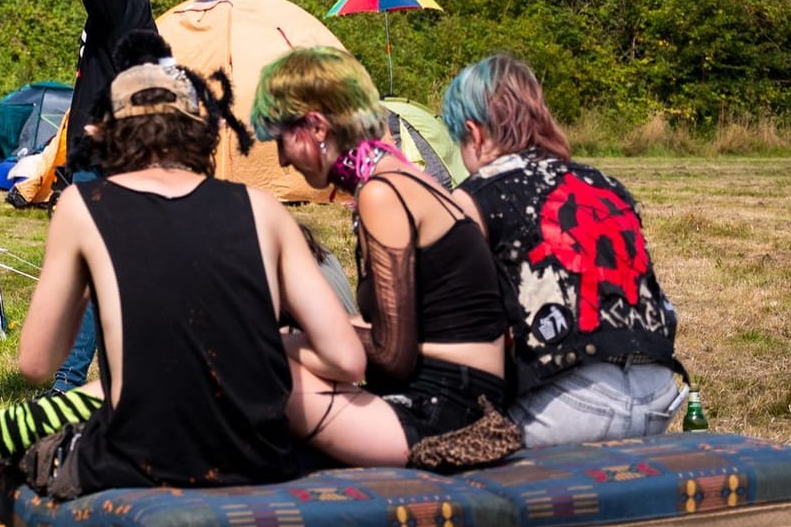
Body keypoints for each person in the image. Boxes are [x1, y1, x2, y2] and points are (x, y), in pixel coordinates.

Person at [0, 31, 367, 493]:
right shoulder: (262, 209)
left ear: (107, 133)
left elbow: (37, 364)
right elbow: (346, 358)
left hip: (143, 461)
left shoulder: (87, 207)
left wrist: (85, 280)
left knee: (63, 443)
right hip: (260, 458)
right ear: (203, 130)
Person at [249, 48, 520, 469]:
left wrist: (276, 339)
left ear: (316, 126)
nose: (283, 160)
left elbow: (392, 353)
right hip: (469, 400)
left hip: (438, 414)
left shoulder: (383, 193)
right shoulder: (411, 179)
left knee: (252, 361)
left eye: (282, 141)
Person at [442, 54, 682, 445]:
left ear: (475, 133)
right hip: (660, 391)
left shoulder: (476, 198)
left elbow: (465, 324)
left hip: (570, 402)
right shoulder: (604, 182)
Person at [46, 0, 154, 394]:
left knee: (91, 269)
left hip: (109, 159)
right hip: (100, 155)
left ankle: (68, 381)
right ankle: (126, 376)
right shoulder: (115, 6)